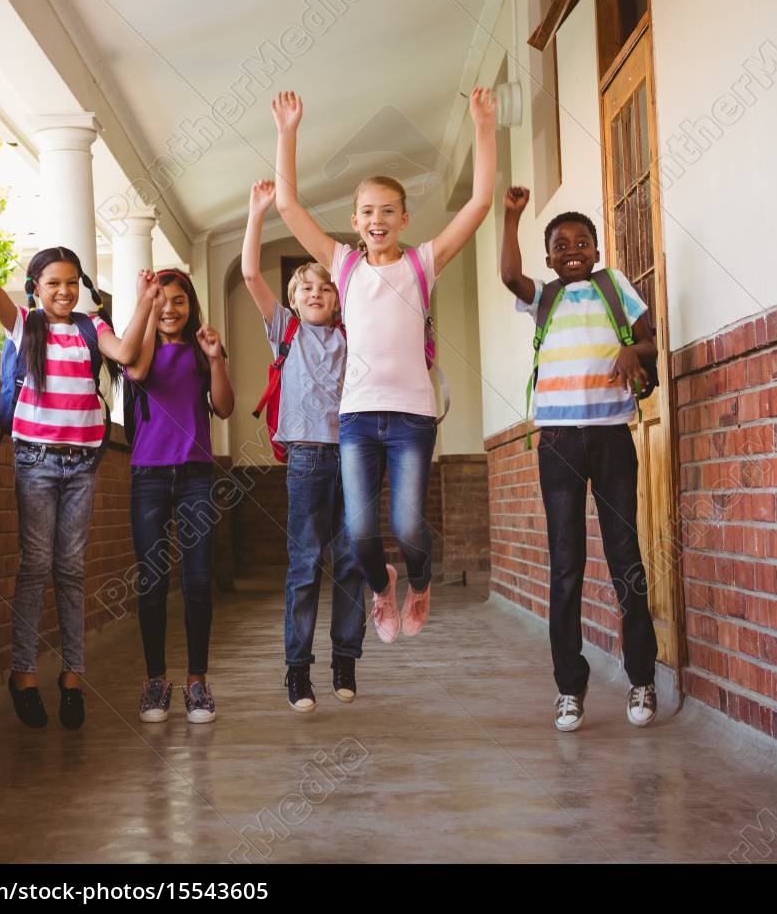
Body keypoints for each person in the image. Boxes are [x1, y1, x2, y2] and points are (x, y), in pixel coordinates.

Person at [271, 87, 497, 642]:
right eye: (367, 211)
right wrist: (288, 133)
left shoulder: (422, 264)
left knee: (408, 525)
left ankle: (419, 582)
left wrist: (483, 127)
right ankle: (382, 587)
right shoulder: (344, 266)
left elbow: (479, 203)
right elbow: (287, 208)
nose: (378, 219)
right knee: (359, 531)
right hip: (356, 419)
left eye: (388, 211)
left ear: (403, 219)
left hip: (412, 418)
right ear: (355, 219)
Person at [0, 194, 160, 730]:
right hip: (36, 461)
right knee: (35, 567)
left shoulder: (93, 330)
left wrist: (143, 301)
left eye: (72, 283)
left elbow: (126, 356)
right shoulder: (26, 325)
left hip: (83, 464)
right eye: (53, 284)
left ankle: (73, 676)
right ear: (36, 288)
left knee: (71, 570)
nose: (64, 292)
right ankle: (23, 673)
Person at [497, 185, 659, 732]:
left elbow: (650, 343)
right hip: (560, 443)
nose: (572, 250)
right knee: (565, 564)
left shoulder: (616, 289)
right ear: (548, 258)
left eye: (582, 242)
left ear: (596, 251)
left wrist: (632, 351)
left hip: (612, 436)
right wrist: (511, 217)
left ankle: (641, 678)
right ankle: (570, 687)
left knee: (624, 556)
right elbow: (507, 277)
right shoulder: (543, 297)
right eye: (561, 244)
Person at [240, 178, 366, 712]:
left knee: (353, 559)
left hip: (354, 454)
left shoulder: (349, 333)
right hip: (307, 459)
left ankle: (345, 659)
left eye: (325, 287)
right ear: (292, 300)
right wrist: (257, 212)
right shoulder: (285, 331)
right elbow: (249, 272)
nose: (315, 294)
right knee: (305, 563)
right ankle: (298, 672)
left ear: (338, 297)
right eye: (306, 288)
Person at [125, 270, 235, 723]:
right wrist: (144, 306)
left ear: (191, 306)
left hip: (194, 476)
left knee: (196, 581)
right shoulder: (139, 347)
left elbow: (224, 407)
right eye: (161, 300)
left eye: (179, 301)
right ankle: (155, 680)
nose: (170, 308)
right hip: (148, 476)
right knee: (151, 583)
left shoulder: (200, 351)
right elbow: (138, 369)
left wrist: (216, 360)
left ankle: (197, 681)